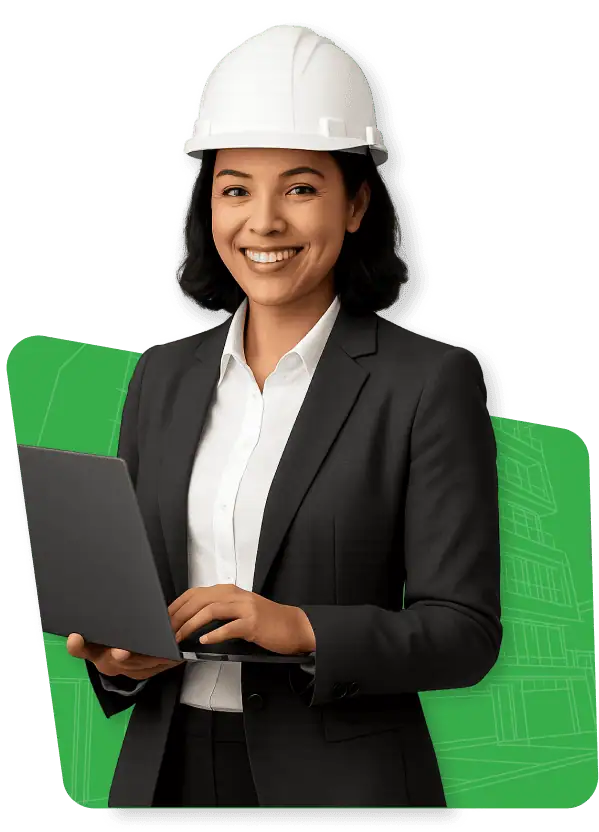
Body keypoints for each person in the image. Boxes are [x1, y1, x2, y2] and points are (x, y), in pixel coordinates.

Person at [66, 23, 502, 809]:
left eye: (299, 188)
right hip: (162, 778)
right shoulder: (161, 378)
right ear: (208, 206)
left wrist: (297, 627)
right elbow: (139, 602)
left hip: (342, 787)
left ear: (357, 202)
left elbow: (462, 632)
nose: (262, 223)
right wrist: (117, 658)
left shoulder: (428, 383)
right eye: (235, 189)